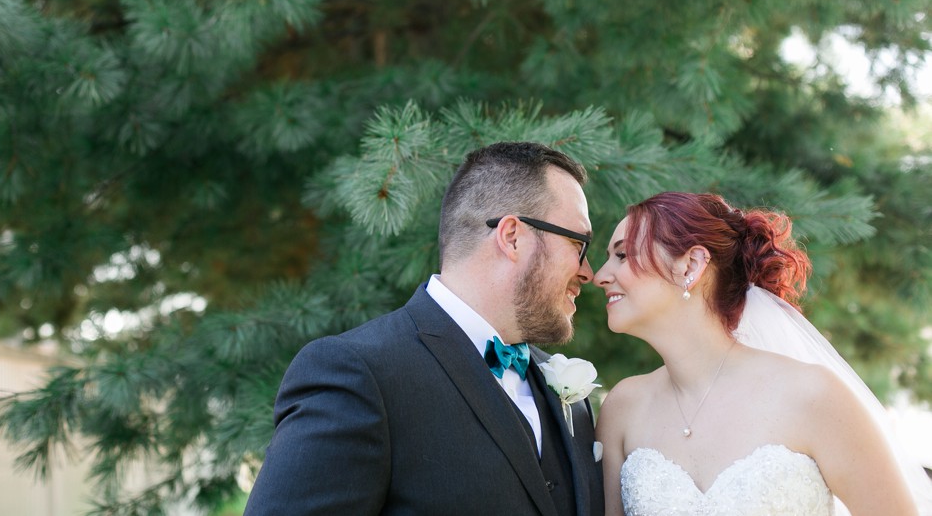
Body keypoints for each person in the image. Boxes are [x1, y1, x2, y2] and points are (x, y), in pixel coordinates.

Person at [243, 141, 605, 515]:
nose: (588, 273)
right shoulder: (360, 374)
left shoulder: (571, 400)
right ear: (512, 236)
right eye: (578, 243)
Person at [592, 191, 932, 516]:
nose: (600, 276)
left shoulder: (812, 395)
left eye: (622, 255)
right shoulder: (623, 408)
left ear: (691, 266)